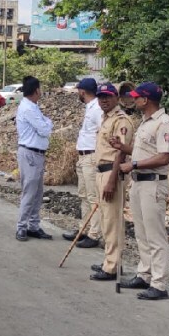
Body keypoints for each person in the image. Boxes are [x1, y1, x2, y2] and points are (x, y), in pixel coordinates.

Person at [114, 81, 169, 301]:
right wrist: (125, 149)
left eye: (137, 97)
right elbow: (144, 151)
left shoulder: (164, 123)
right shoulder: (145, 122)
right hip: (140, 182)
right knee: (141, 232)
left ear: (146, 99)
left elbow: (164, 156)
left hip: (153, 183)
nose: (133, 99)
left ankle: (159, 284)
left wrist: (133, 164)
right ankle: (145, 274)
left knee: (155, 235)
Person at [88, 82, 135, 281]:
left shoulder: (121, 120)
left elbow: (121, 153)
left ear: (116, 98)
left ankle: (112, 266)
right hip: (101, 172)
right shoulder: (105, 118)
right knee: (106, 219)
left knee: (112, 221)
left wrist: (112, 181)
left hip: (111, 173)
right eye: (100, 97)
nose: (103, 100)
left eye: (107, 96)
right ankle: (111, 260)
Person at [63, 77, 104, 248]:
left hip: (91, 157)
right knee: (83, 195)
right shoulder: (90, 107)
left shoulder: (97, 109)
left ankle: (94, 234)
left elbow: (102, 133)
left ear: (83, 91)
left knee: (93, 197)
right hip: (83, 156)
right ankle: (84, 229)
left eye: (78, 90)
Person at [15, 76, 53, 242]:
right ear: (36, 90)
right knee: (29, 193)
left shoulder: (33, 106)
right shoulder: (29, 109)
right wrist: (48, 122)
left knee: (37, 193)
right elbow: (45, 129)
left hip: (36, 154)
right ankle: (22, 227)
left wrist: (46, 123)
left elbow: (44, 127)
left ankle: (33, 226)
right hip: (30, 153)